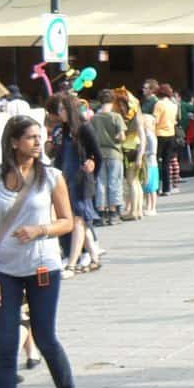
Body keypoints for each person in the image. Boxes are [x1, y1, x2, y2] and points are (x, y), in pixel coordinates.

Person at [0, 116, 76, 388]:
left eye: (39, 136)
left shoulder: (51, 177)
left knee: (45, 337)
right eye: (31, 137)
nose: (37, 141)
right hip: (4, 270)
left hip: (43, 267)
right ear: (13, 142)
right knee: (6, 346)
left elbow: (68, 222)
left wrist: (40, 230)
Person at [45, 94, 102, 276]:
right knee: (80, 220)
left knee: (78, 219)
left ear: (69, 109)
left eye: (62, 109)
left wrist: (93, 171)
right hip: (67, 180)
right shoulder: (65, 130)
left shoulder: (84, 127)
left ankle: (72, 262)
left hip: (81, 180)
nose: (59, 113)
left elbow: (97, 154)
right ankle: (93, 257)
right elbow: (60, 156)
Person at [90, 90, 125, 225]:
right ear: (112, 100)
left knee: (101, 182)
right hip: (114, 153)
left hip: (99, 153)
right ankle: (113, 211)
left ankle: (101, 211)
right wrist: (114, 138)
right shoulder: (116, 117)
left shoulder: (94, 118)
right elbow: (121, 136)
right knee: (114, 182)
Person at [115, 91, 144, 221]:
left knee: (132, 181)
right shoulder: (136, 116)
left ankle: (133, 211)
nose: (121, 107)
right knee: (136, 182)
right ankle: (138, 211)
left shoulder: (131, 118)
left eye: (123, 104)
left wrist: (139, 156)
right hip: (136, 149)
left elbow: (143, 137)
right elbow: (143, 138)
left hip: (130, 150)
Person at [152, 84, 178, 196]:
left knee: (156, 161)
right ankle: (167, 188)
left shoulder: (159, 104)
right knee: (167, 162)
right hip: (171, 133)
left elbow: (155, 120)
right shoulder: (173, 105)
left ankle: (156, 188)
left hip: (159, 134)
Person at [141, 114, 159, 216]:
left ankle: (153, 207)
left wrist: (143, 153)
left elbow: (153, 151)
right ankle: (148, 206)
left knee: (152, 187)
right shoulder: (147, 133)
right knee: (147, 187)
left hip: (150, 163)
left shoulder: (149, 135)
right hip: (148, 163)